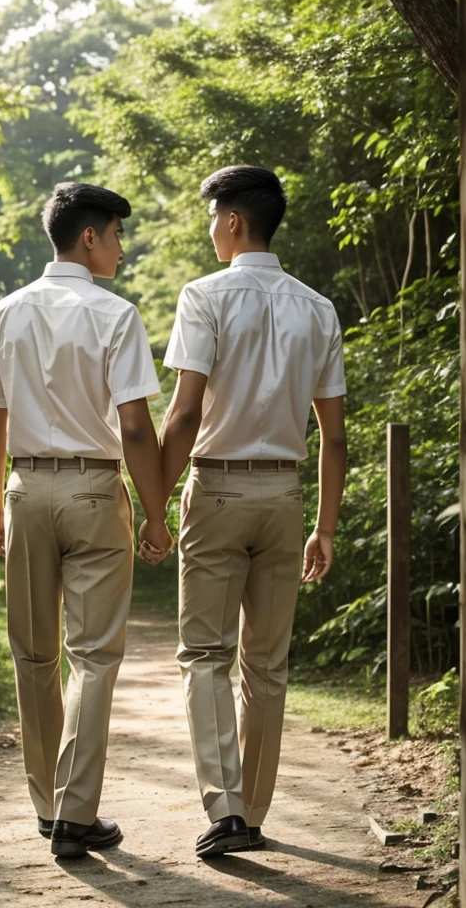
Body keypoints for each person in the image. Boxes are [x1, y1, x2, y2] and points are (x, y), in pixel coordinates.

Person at [0, 181, 171, 859]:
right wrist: (155, 512)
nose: (120, 246)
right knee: (94, 659)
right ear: (90, 236)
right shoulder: (116, 316)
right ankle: (74, 813)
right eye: (116, 233)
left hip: (27, 488)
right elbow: (137, 429)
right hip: (93, 490)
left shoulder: (6, 312)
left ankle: (46, 805)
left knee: (33, 655)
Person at [156, 164, 347, 858]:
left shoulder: (203, 297)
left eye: (212, 217)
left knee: (206, 655)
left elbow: (182, 416)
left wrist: (152, 506)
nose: (210, 230)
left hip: (217, 489)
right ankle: (255, 815)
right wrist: (324, 526)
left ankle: (225, 809)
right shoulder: (317, 307)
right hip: (285, 496)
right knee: (267, 665)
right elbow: (335, 436)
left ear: (234, 221)